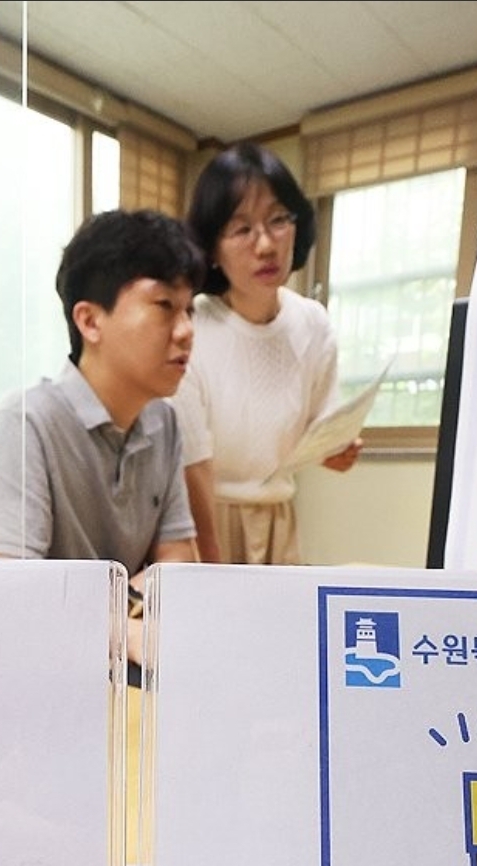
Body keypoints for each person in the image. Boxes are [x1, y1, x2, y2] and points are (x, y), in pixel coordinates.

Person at [0, 208, 204, 657]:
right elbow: (2, 596)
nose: (187, 331)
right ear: (90, 321)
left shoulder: (165, 422)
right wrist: (124, 632)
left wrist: (115, 614)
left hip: (120, 665)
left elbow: (178, 560)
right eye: (164, 307)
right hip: (42, 667)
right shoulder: (24, 424)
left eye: (189, 309)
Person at [175, 142, 362, 565]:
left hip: (279, 518)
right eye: (241, 230)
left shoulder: (312, 323)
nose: (264, 245)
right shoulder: (192, 326)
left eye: (278, 220)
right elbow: (189, 462)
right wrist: (209, 563)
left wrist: (335, 450)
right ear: (212, 247)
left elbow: (318, 430)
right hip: (203, 519)